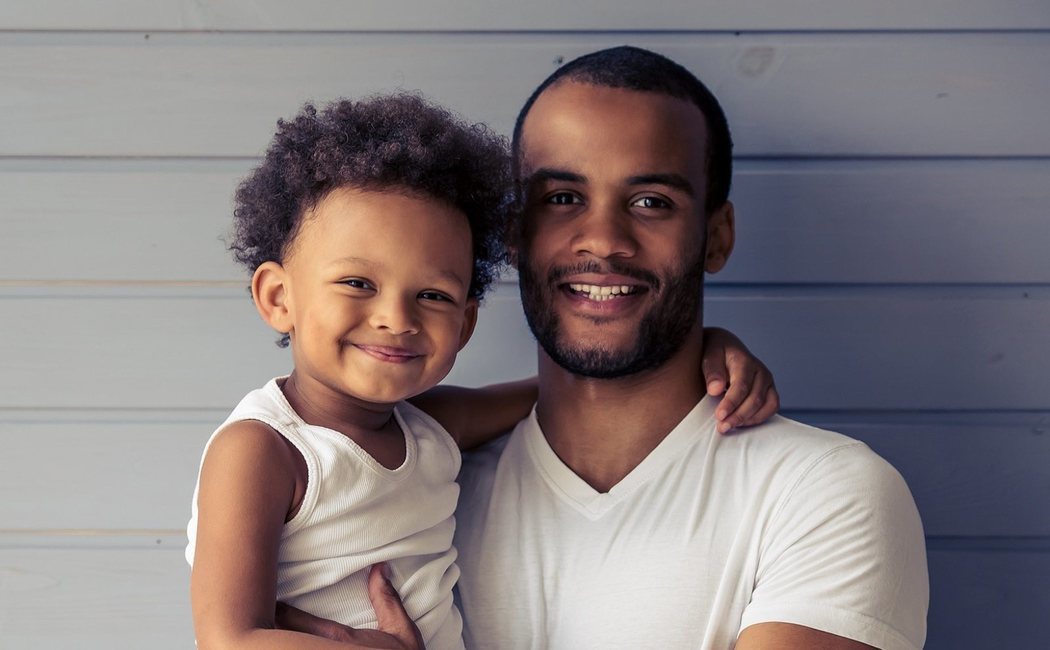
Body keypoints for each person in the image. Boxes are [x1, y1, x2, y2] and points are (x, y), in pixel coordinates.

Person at [185, 93, 780, 649]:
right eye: (357, 284)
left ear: (466, 325)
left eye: (434, 296)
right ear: (277, 297)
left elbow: (562, 398)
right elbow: (230, 638)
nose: (396, 318)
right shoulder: (263, 450)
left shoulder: (427, 426)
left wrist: (704, 349)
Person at [449, 46, 929, 649]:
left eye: (652, 202)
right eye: (563, 198)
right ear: (515, 232)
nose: (603, 239)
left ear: (716, 237)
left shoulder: (823, 492)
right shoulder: (423, 485)